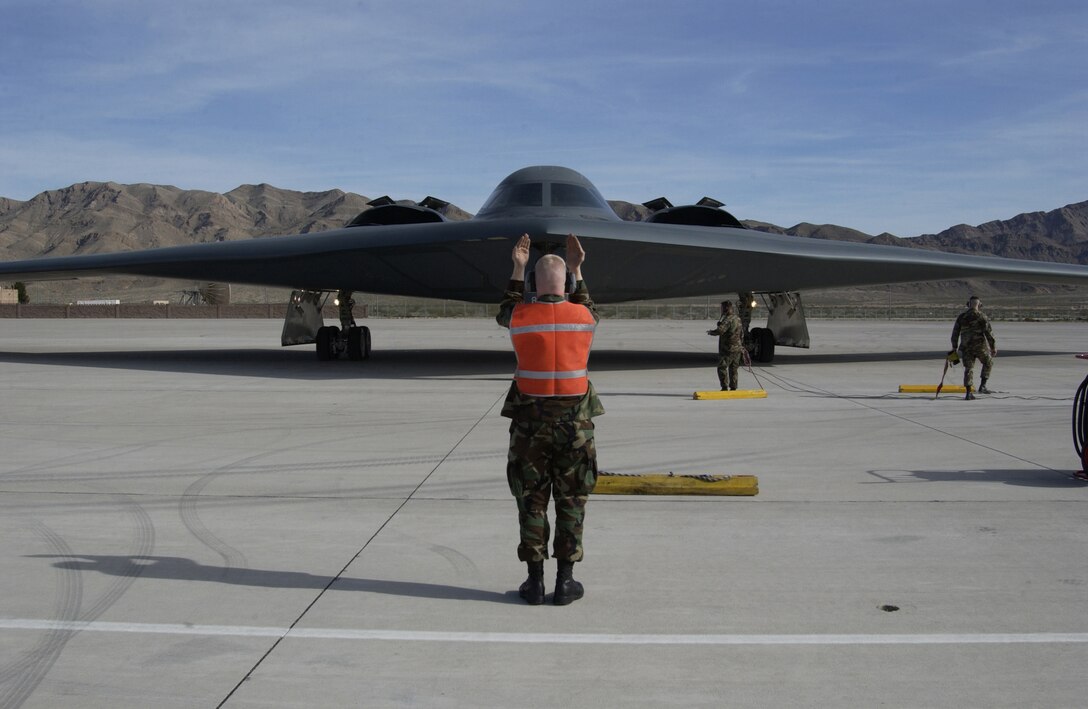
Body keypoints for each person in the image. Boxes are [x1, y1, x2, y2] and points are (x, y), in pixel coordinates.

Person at [496, 233, 604, 606]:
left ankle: (535, 583)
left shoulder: (520, 317)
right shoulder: (585, 316)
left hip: (530, 427)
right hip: (575, 428)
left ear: (532, 287)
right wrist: (577, 267)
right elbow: (586, 302)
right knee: (571, 500)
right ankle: (566, 582)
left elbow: (504, 310)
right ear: (570, 285)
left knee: (532, 501)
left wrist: (518, 267)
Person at [951, 295, 996, 400]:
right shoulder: (982, 316)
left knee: (968, 369)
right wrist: (993, 347)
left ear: (968, 304)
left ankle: (968, 393)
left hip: (966, 347)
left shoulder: (962, 317)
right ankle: (983, 386)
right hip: (980, 347)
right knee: (988, 362)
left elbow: (955, 333)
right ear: (979, 305)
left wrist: (954, 347)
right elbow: (989, 333)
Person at [707, 300, 744, 390]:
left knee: (722, 367)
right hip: (737, 348)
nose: (721, 310)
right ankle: (734, 387)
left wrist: (711, 332)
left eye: (722, 308)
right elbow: (741, 334)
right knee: (734, 368)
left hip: (728, 348)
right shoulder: (737, 318)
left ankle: (724, 387)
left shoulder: (728, 319)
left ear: (726, 308)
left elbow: (720, 331)